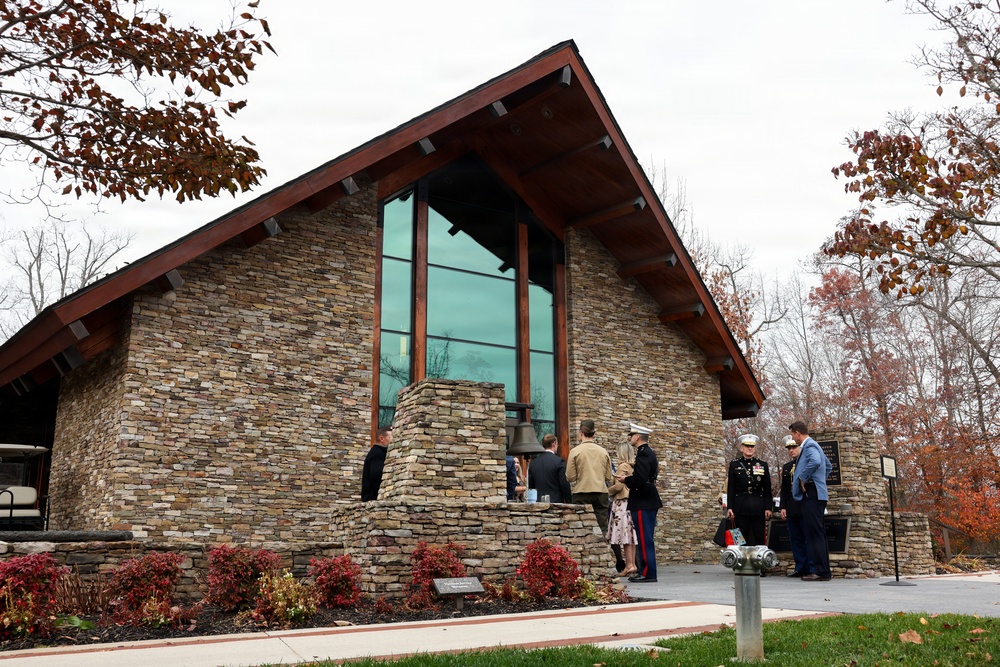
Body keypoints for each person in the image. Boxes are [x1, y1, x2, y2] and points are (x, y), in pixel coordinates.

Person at [566, 419, 618, 567]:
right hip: (600, 492)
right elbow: (609, 477)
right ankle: (602, 561)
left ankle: (581, 561)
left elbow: (570, 477)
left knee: (580, 526)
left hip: (581, 491)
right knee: (602, 527)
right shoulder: (603, 452)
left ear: (581, 433)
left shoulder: (575, 451)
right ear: (594, 434)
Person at [790, 420, 834, 581]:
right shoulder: (815, 446)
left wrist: (804, 478)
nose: (793, 440)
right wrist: (819, 481)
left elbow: (815, 462)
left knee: (814, 534)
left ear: (797, 433)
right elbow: (827, 466)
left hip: (811, 494)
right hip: (816, 492)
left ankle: (820, 571)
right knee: (818, 533)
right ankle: (823, 570)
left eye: (792, 435)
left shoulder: (809, 446)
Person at [620, 422, 662, 583]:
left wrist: (626, 479)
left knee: (645, 539)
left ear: (637, 437)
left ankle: (647, 573)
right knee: (645, 538)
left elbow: (639, 479)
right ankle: (646, 571)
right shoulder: (646, 452)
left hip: (643, 499)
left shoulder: (644, 454)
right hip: (647, 498)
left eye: (631, 435)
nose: (629, 438)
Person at [725, 434, 773, 565]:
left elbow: (767, 489)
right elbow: (731, 488)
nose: (750, 449)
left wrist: (768, 507)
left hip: (758, 506)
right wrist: (730, 507)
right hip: (740, 506)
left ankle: (760, 565)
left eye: (752, 446)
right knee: (741, 538)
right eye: (747, 446)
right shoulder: (735, 465)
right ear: (741, 448)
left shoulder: (762, 465)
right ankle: (742, 564)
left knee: (759, 537)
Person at [779, 434, 810, 577]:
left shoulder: (806, 462)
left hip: (804, 505)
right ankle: (800, 567)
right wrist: (783, 507)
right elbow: (784, 489)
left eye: (794, 447)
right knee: (795, 539)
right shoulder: (787, 467)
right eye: (789, 448)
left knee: (807, 537)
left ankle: (810, 568)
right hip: (792, 507)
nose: (791, 450)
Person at [607, 439, 638, 577]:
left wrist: (606, 491)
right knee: (630, 536)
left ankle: (629, 565)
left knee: (624, 537)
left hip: (621, 504)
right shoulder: (633, 466)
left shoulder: (622, 466)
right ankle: (632, 565)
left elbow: (619, 486)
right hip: (631, 502)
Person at [527, 434, 572, 503]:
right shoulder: (559, 461)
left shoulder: (533, 463)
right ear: (553, 443)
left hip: (538, 503)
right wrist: (569, 501)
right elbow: (564, 484)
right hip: (556, 503)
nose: (558, 446)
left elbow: (531, 486)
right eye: (557, 444)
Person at [361, 426, 392, 501]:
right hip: (373, 498)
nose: (392, 441)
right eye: (390, 438)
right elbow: (377, 475)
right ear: (382, 438)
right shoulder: (377, 453)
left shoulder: (375, 452)